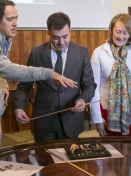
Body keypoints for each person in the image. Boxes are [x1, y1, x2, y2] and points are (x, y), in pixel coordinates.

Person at [0, 0, 77, 158]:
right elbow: (8, 69)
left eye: (16, 18)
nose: (15, 23)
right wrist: (50, 73)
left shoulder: (4, 36)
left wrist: (2, 84)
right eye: (10, 19)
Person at [14, 12, 96, 142]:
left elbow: (89, 85)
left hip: (71, 120)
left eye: (65, 36)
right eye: (56, 38)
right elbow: (24, 85)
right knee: (44, 160)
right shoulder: (36, 53)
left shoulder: (82, 52)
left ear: (70, 30)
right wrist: (18, 108)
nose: (62, 42)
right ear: (48, 33)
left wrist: (82, 100)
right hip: (43, 121)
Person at [90, 13, 131, 137]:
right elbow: (94, 87)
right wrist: (97, 118)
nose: (121, 36)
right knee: (109, 150)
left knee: (129, 151)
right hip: (106, 110)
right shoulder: (99, 53)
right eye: (118, 31)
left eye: (125, 33)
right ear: (111, 31)